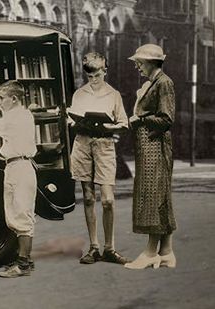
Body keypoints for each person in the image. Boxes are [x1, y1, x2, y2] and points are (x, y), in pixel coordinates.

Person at [69, 52, 130, 265]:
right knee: (87, 197)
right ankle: (94, 247)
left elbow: (123, 123)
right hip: (83, 143)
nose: (93, 80)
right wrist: (75, 123)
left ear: (105, 71)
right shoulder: (79, 94)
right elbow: (71, 120)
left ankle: (110, 248)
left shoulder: (114, 95)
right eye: (89, 76)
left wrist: (108, 126)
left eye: (97, 75)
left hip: (104, 145)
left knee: (107, 200)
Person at [0, 80, 37, 278]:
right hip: (14, 166)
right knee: (14, 214)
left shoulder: (15, 119)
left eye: (3, 98)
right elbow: (2, 109)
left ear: (14, 99)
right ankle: (24, 259)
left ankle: (24, 265)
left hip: (20, 168)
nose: (0, 101)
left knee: (22, 216)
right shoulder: (19, 113)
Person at [124, 44, 177, 270]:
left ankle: (150, 253)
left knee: (153, 196)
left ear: (152, 63)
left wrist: (140, 119)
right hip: (148, 146)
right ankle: (166, 252)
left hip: (155, 146)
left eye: (140, 63)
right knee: (160, 196)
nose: (137, 67)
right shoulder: (154, 83)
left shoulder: (164, 83)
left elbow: (166, 118)